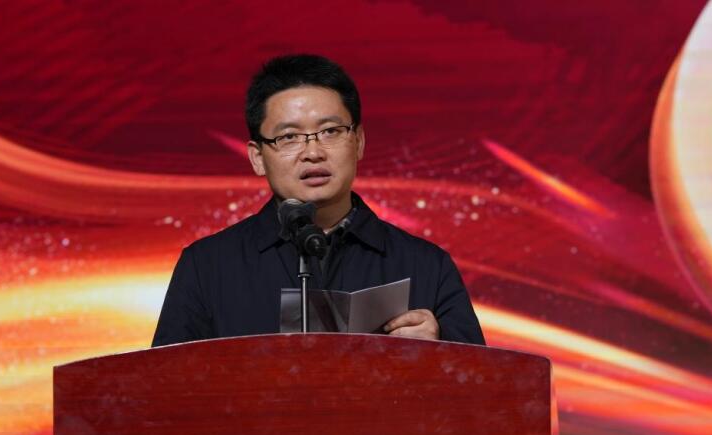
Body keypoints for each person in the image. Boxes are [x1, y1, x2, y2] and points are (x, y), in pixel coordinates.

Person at [152, 54, 485, 347]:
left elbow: (483, 387)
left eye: (330, 131)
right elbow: (163, 387)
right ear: (257, 157)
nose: (313, 152)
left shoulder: (426, 266)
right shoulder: (207, 267)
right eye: (289, 137)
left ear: (359, 141)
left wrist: (440, 351)